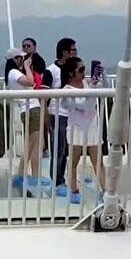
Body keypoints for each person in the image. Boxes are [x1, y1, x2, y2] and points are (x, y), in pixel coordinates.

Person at [61, 57, 105, 203]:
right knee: (73, 161)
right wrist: (92, 88)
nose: (83, 72)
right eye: (80, 70)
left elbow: (106, 88)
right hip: (76, 129)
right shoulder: (66, 91)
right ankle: (73, 190)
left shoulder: (88, 83)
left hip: (92, 127)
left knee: (98, 161)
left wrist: (101, 76)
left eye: (84, 69)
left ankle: (105, 191)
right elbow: (81, 105)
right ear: (70, 73)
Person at [5, 47, 43, 190]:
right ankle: (23, 175)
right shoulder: (14, 72)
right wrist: (27, 67)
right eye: (21, 58)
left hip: (30, 109)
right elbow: (30, 82)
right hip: (30, 109)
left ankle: (28, 175)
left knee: (32, 144)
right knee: (32, 143)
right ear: (14, 59)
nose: (23, 60)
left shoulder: (13, 73)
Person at [46, 38, 78, 196]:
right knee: (58, 149)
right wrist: (46, 117)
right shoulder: (51, 70)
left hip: (71, 115)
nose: (75, 52)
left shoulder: (72, 69)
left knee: (66, 149)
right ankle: (56, 181)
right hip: (57, 114)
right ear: (65, 52)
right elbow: (44, 94)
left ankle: (62, 179)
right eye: (73, 50)